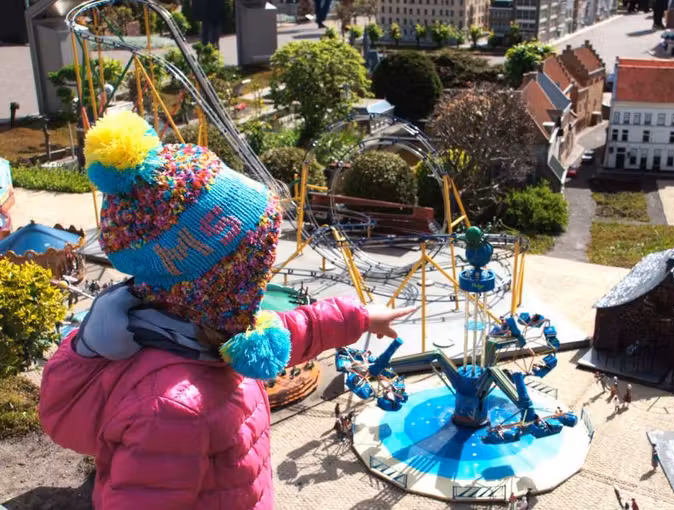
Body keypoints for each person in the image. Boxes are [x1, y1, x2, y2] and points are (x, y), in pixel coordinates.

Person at [37, 111, 415, 510]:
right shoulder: (173, 412)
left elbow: (291, 331)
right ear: (219, 281)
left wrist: (356, 318)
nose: (263, 277)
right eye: (255, 266)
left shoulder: (198, 327)